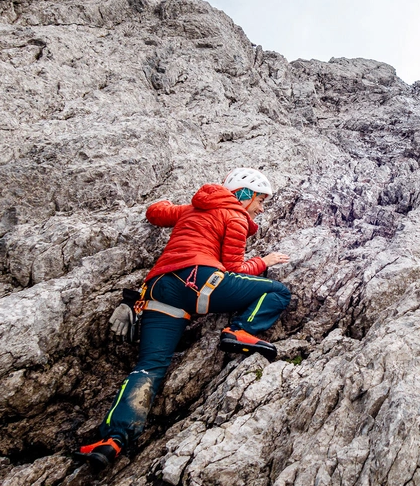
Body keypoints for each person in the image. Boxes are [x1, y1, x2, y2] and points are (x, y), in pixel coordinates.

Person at [77, 168, 291, 472]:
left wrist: (162, 198)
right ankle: (240, 331)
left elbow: (156, 213)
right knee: (278, 292)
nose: (261, 207)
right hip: (200, 280)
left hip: (158, 290)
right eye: (260, 199)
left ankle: (112, 440)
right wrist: (264, 262)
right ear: (244, 194)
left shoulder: (193, 208)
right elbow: (234, 268)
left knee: (149, 367)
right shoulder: (236, 217)